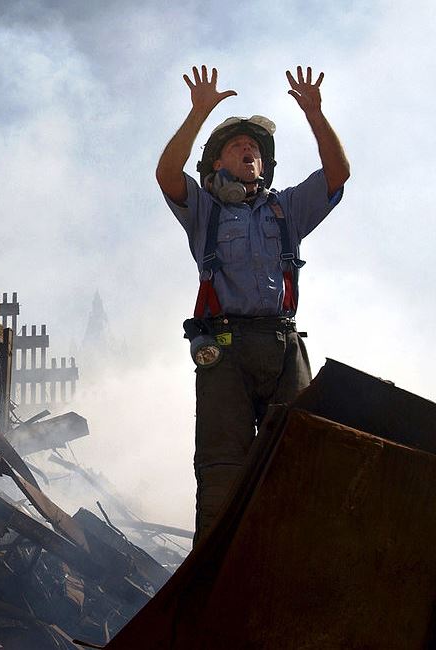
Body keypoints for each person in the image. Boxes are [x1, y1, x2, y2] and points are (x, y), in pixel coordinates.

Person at [155, 66, 350, 543]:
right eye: (238, 146)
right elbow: (166, 175)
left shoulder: (286, 209)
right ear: (216, 163)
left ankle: (295, 565)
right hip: (225, 351)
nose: (250, 151)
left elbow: (337, 174)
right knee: (222, 472)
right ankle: (214, 575)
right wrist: (199, 114)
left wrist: (316, 115)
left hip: (283, 346)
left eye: (256, 149)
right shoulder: (205, 210)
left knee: (299, 459)